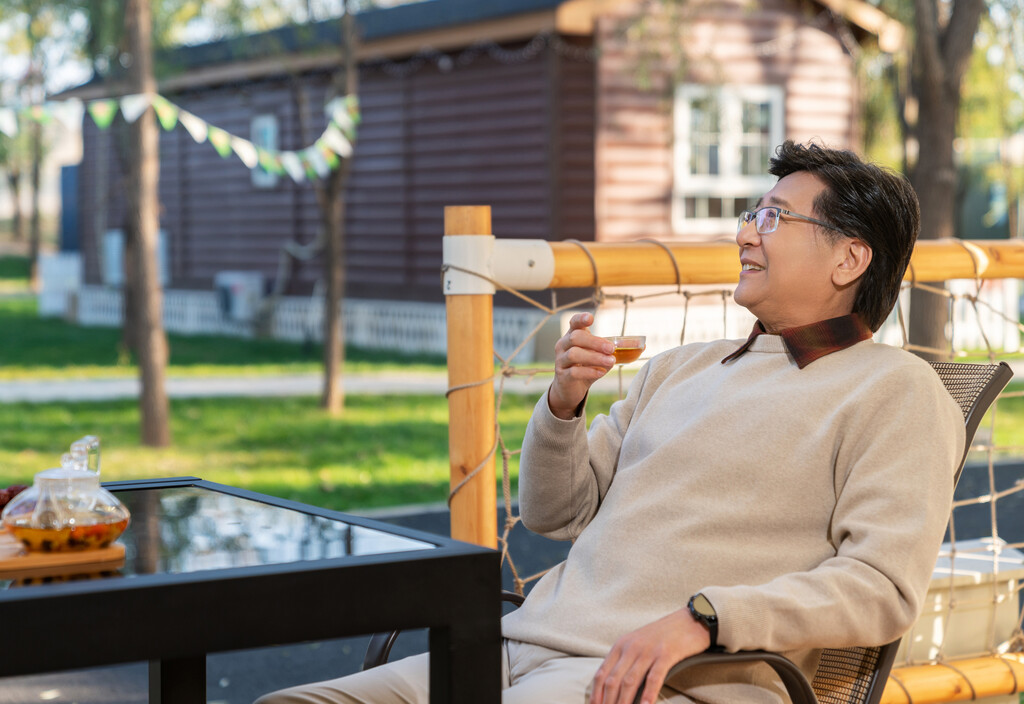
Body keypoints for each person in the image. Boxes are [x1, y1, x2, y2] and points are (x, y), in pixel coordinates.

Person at [254, 141, 964, 704]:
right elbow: (553, 513)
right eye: (752, 212)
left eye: (774, 217)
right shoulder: (680, 367)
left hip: (661, 679)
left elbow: (880, 588)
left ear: (849, 258)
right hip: (514, 647)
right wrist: (563, 405)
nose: (746, 231)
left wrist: (704, 618)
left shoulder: (897, 390)